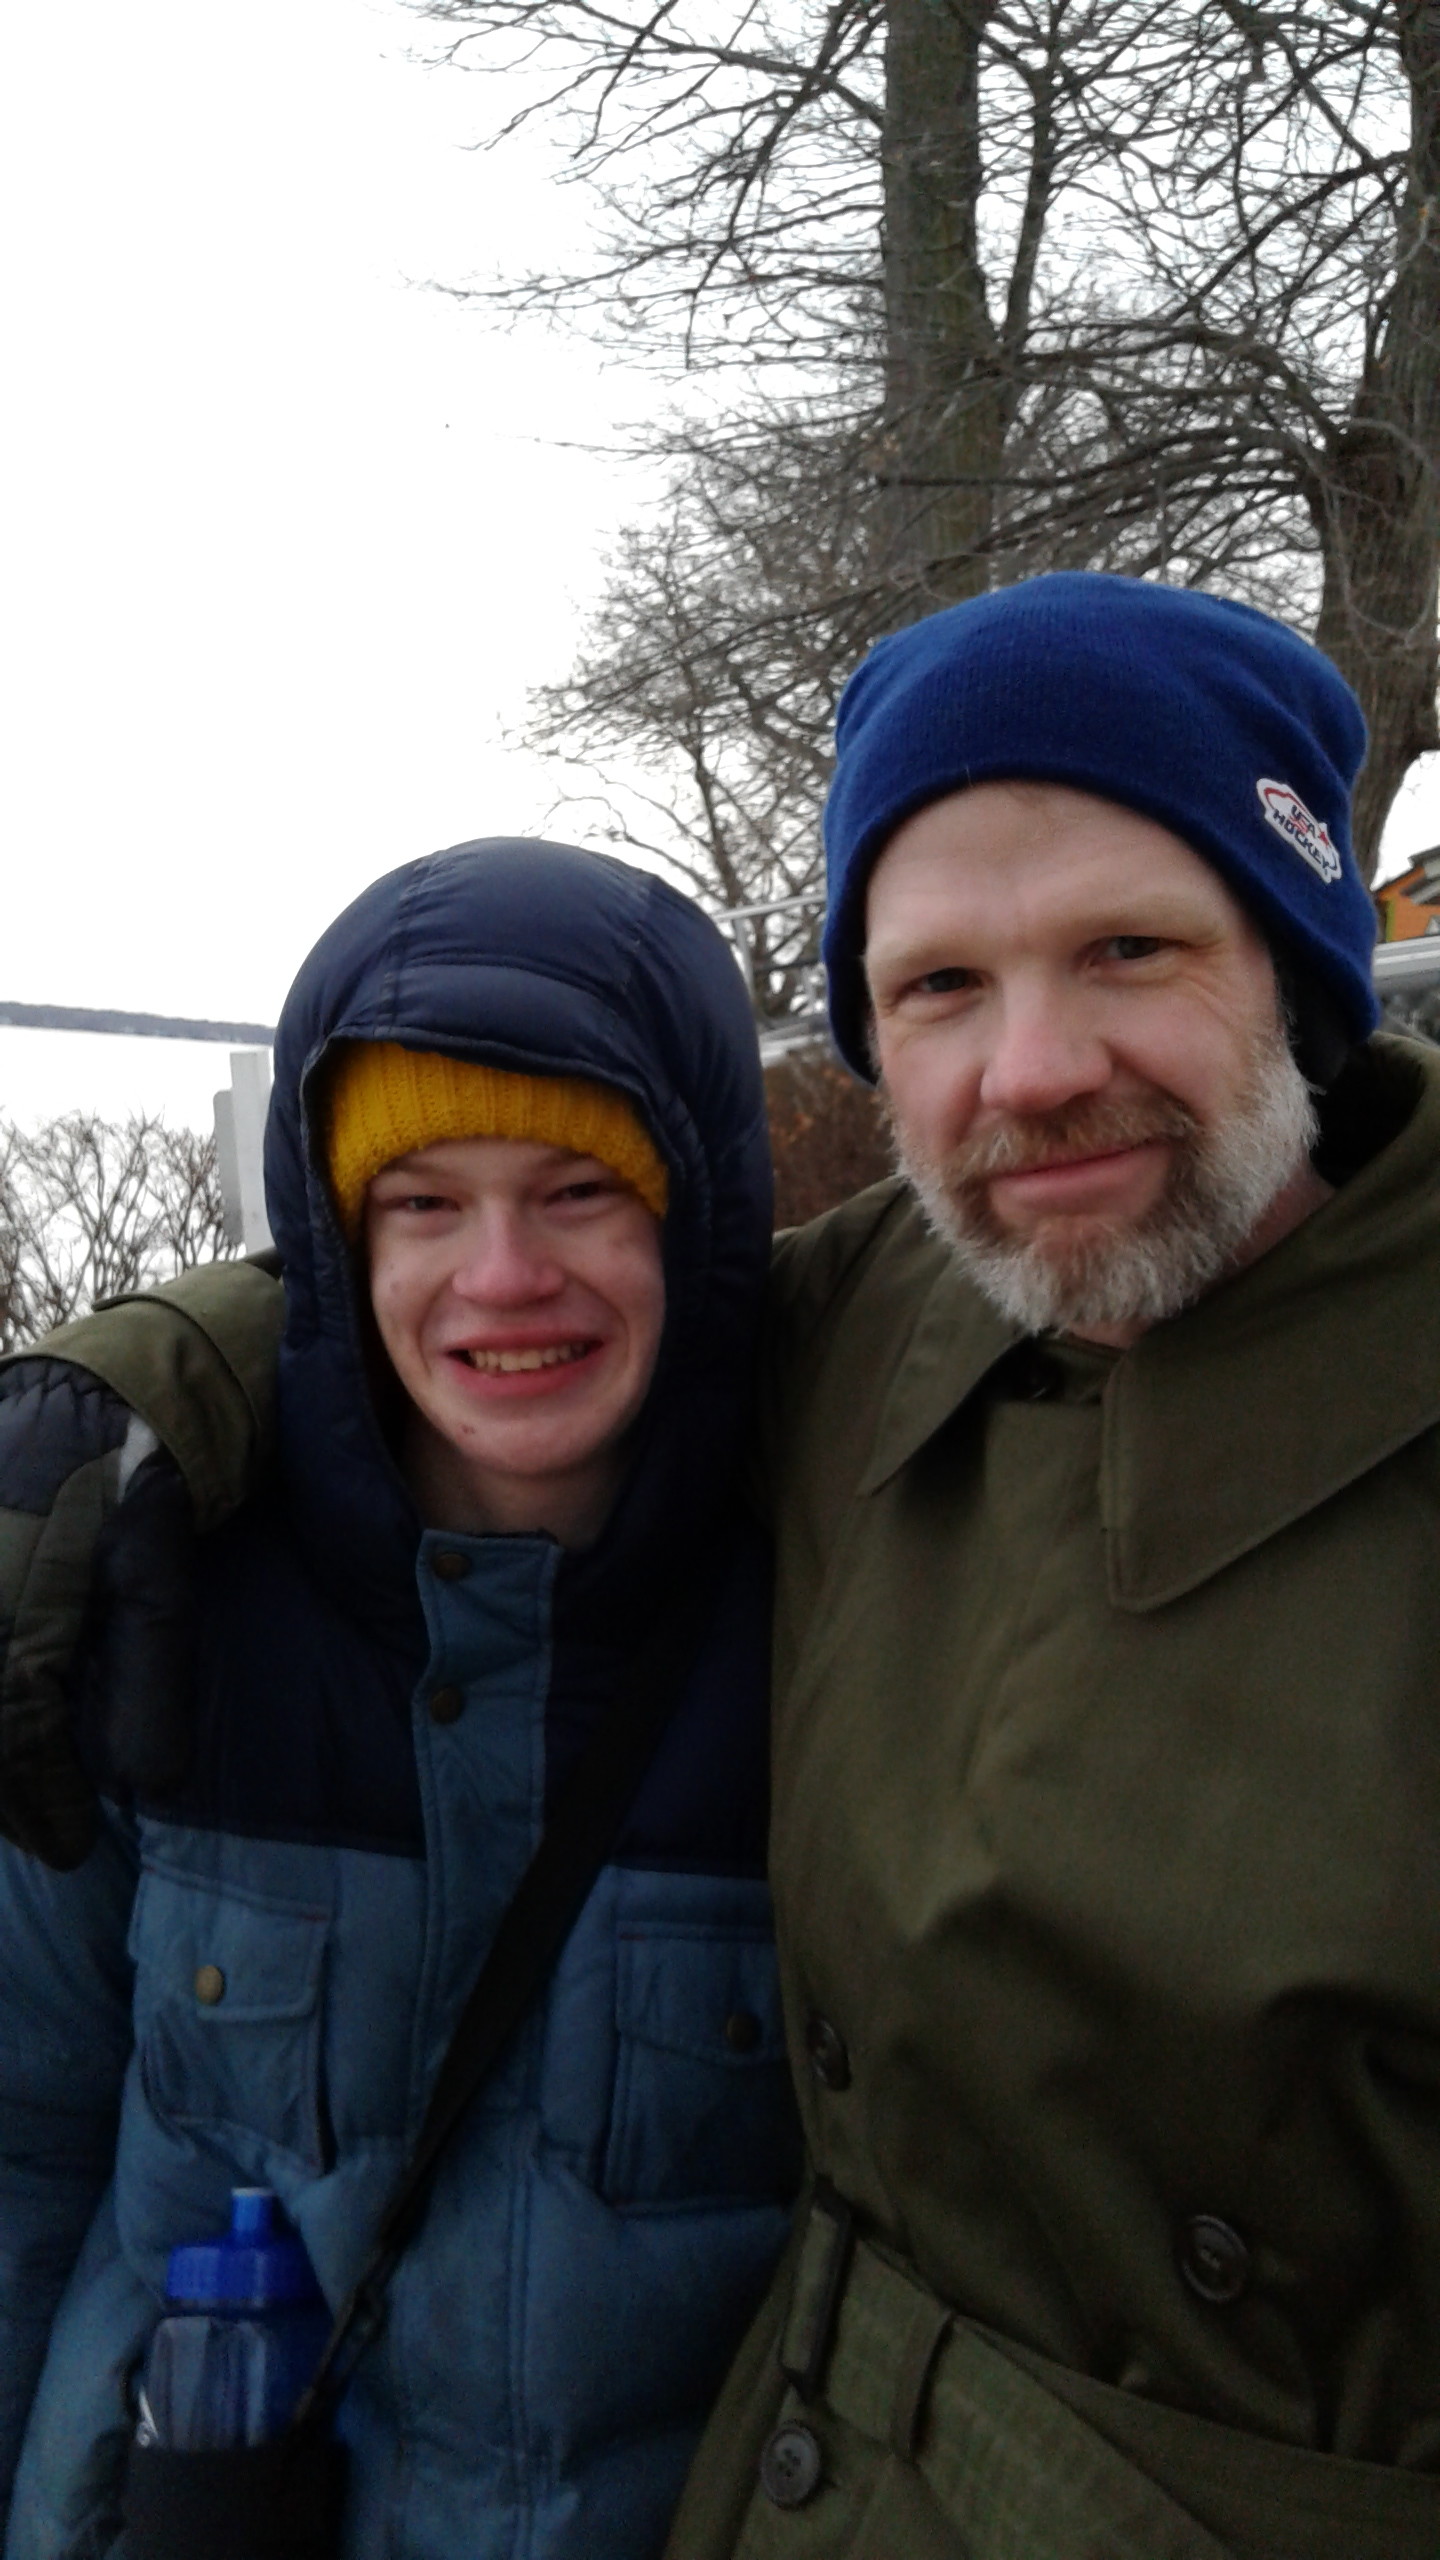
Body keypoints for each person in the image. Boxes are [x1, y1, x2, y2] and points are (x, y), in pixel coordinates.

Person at [4, 573, 1439, 2558]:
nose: (1031, 1067)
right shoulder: (883, 1323)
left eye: (1130, 946)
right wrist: (113, 1396)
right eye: (940, 985)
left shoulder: (872, 1413)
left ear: (1300, 958)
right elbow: (469, 1305)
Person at [0, 835, 800, 2558]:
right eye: (421, 1203)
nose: (500, 1276)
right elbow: (22, 2135)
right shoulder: (161, 1600)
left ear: (701, 1217)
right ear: (335, 1241)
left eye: (579, 1192)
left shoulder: (841, 1617)